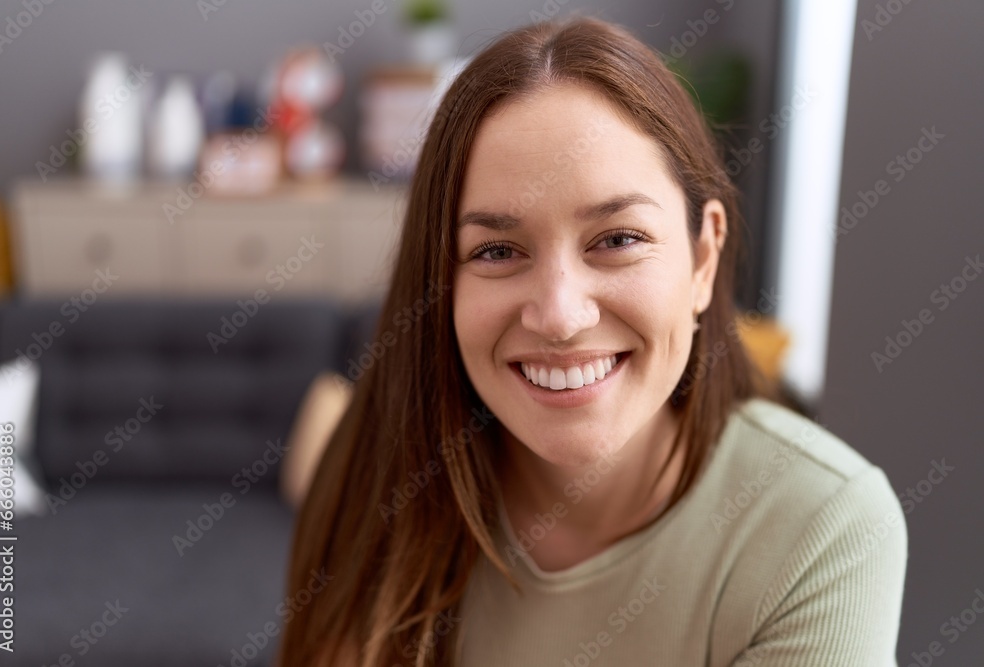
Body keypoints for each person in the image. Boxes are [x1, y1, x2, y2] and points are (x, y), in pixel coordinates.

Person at [276, 16, 907, 667]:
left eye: (617, 239)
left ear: (702, 259)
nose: (559, 315)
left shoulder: (823, 526)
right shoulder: (371, 464)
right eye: (497, 250)